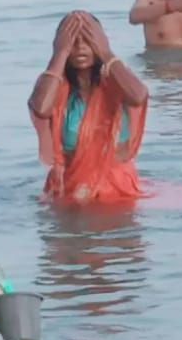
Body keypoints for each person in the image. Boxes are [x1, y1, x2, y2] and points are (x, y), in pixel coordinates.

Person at [29, 11, 149, 203]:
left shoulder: (117, 82)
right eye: (73, 41)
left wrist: (106, 52)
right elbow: (41, 108)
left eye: (87, 39)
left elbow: (139, 96)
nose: (80, 47)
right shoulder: (53, 88)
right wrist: (59, 53)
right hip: (70, 188)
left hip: (117, 189)